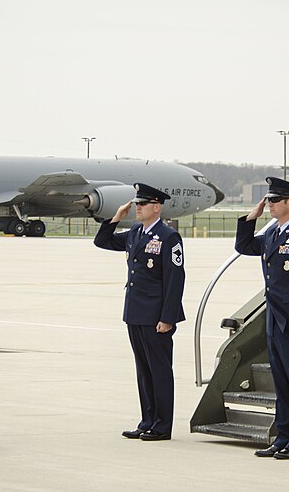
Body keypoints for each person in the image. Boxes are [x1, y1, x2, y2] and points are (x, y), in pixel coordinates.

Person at [235, 177, 289, 460]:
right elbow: (244, 245)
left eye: (275, 200)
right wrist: (251, 218)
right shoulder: (273, 234)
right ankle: (283, 437)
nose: (270, 204)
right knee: (281, 382)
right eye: (268, 200)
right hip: (275, 319)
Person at [93, 183, 185, 441]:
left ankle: (162, 425)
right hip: (135, 312)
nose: (138, 208)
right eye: (136, 204)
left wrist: (168, 318)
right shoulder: (135, 232)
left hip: (156, 316)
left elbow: (174, 280)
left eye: (142, 204)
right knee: (143, 371)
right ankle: (147, 420)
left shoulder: (168, 237)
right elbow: (102, 241)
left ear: (157, 207)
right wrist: (116, 218)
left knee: (159, 371)